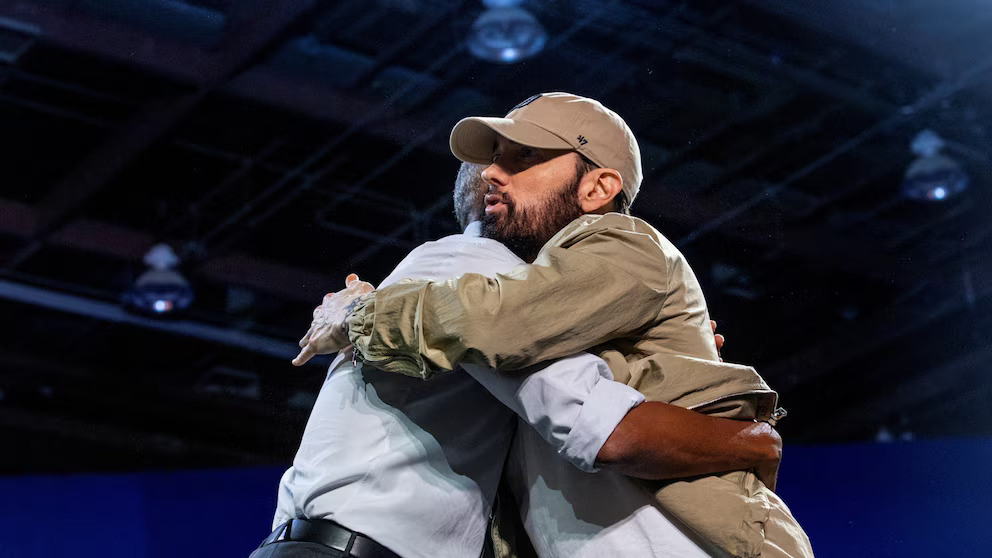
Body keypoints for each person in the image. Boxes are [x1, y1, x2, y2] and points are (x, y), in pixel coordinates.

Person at [301, 92, 813, 557]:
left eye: (525, 156)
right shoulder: (560, 304)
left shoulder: (626, 242)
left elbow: (497, 321)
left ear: (597, 188)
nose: (491, 175)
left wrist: (356, 316)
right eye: (494, 157)